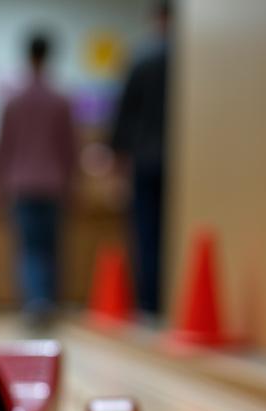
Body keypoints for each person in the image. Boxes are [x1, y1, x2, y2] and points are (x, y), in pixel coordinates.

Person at [0, 31, 77, 328]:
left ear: (27, 55)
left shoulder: (12, 102)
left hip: (20, 184)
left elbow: (3, 148)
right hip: (53, 184)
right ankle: (47, 302)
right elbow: (69, 148)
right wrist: (72, 183)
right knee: (51, 247)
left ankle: (34, 302)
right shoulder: (61, 100)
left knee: (29, 249)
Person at [110, 1, 171, 316]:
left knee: (146, 233)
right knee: (172, 231)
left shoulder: (142, 58)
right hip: (179, 163)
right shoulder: (192, 62)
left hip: (145, 159)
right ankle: (170, 297)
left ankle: (149, 302)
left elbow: (123, 116)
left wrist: (118, 158)